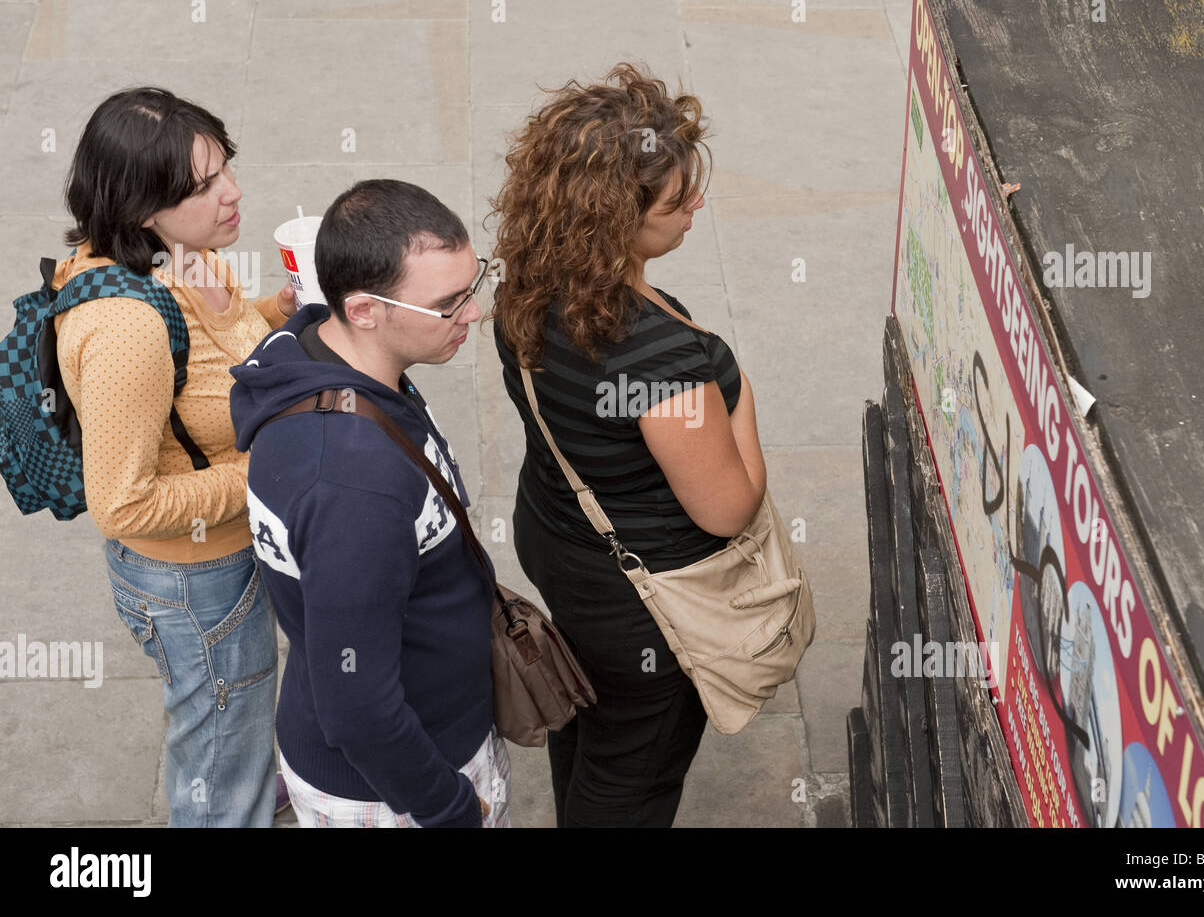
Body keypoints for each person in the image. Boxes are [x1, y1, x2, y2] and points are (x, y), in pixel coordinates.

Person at [489, 63, 768, 827]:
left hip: (558, 538)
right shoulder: (661, 360)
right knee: (634, 773)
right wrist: (735, 385)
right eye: (677, 201)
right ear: (616, 217)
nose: (696, 207)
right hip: (643, 599)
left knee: (586, 714)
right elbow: (728, 507)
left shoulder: (527, 279)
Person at [229, 179, 510, 828]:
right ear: (362, 310)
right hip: (394, 793)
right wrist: (450, 808)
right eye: (448, 303)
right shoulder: (354, 486)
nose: (472, 313)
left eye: (475, 284)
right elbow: (357, 704)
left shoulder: (315, 350)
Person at [54, 87, 297, 826]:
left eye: (226, 168)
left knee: (236, 721)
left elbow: (217, 350)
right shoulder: (128, 330)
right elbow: (122, 501)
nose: (233, 193)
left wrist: (278, 313)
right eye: (202, 187)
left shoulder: (187, 254)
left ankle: (250, 770)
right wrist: (264, 470)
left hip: (224, 558)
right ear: (139, 209)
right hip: (195, 584)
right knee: (218, 765)